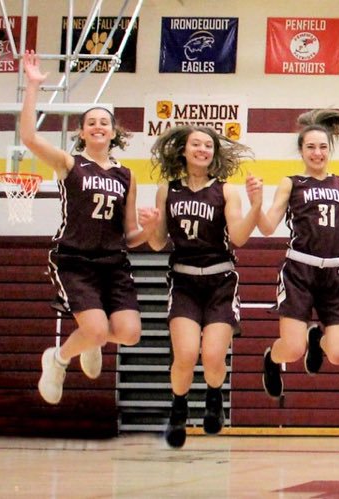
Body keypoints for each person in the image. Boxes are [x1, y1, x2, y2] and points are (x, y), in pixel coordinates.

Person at [20, 51, 147, 405]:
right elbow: (29, 137)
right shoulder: (69, 164)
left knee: (130, 334)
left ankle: (95, 341)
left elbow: (130, 234)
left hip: (113, 264)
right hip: (75, 260)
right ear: (82, 131)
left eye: (103, 122)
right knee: (94, 329)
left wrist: (151, 232)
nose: (97, 126)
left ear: (113, 131)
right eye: (90, 122)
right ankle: (58, 359)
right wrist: (33, 86)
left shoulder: (126, 175)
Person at [143, 125, 260, 447]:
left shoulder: (225, 191)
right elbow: (156, 244)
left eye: (208, 145)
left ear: (214, 153)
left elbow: (238, 238)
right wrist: (150, 226)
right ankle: (178, 409)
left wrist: (256, 205)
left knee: (211, 357)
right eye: (196, 144)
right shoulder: (168, 190)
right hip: (183, 280)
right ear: (183, 150)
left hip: (220, 279)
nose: (202, 149)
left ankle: (213, 395)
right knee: (184, 354)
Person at [256, 108, 339, 399]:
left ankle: (317, 339)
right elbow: (267, 227)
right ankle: (271, 359)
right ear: (301, 151)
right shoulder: (291, 183)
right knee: (292, 349)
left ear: (331, 150)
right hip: (300, 272)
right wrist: (254, 203)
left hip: (336, 272)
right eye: (311, 147)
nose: (317, 153)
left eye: (323, 147)